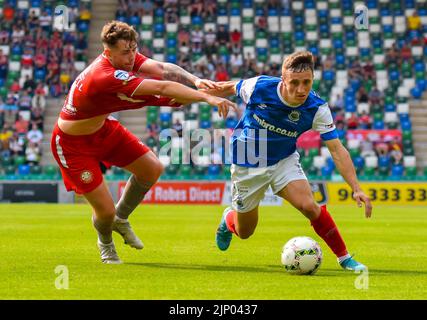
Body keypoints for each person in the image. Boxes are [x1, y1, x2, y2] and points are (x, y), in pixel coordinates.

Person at [50, 21, 237, 264]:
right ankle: (105, 242)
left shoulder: (125, 59)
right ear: (107, 52)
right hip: (72, 144)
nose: (131, 57)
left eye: (133, 49)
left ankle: (121, 218)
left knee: (152, 168)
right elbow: (162, 85)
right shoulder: (104, 76)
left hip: (102, 128)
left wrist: (195, 79)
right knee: (104, 212)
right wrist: (205, 97)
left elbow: (160, 68)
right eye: (125, 52)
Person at [203, 51, 372, 271]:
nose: (301, 89)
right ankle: (228, 220)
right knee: (245, 232)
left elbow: (337, 150)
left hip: (284, 160)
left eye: (307, 82)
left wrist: (356, 187)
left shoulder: (317, 108)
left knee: (310, 206)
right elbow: (228, 86)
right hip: (248, 163)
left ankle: (344, 257)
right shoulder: (259, 87)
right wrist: (203, 95)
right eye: (294, 83)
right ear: (283, 80)